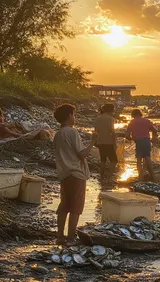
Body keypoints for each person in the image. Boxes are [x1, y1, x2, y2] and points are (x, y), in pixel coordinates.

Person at [53, 104, 97, 246]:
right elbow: (81, 154)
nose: (75, 117)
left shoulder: (58, 134)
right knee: (76, 207)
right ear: (69, 116)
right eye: (74, 114)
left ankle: (60, 236)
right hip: (75, 173)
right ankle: (71, 238)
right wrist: (92, 142)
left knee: (65, 205)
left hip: (64, 173)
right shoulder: (72, 132)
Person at [126, 109, 158, 181]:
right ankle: (153, 177)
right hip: (146, 141)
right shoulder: (147, 121)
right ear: (140, 114)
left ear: (133, 115)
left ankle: (140, 178)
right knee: (147, 158)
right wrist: (153, 138)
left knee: (139, 159)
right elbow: (155, 131)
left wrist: (132, 139)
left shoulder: (131, 122)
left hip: (138, 142)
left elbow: (127, 135)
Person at [95, 103, 118, 183]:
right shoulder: (110, 119)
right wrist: (115, 143)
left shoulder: (98, 118)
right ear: (111, 110)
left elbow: (96, 131)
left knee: (103, 160)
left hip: (100, 142)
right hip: (109, 142)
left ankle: (101, 177)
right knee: (114, 160)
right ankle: (108, 179)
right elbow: (112, 131)